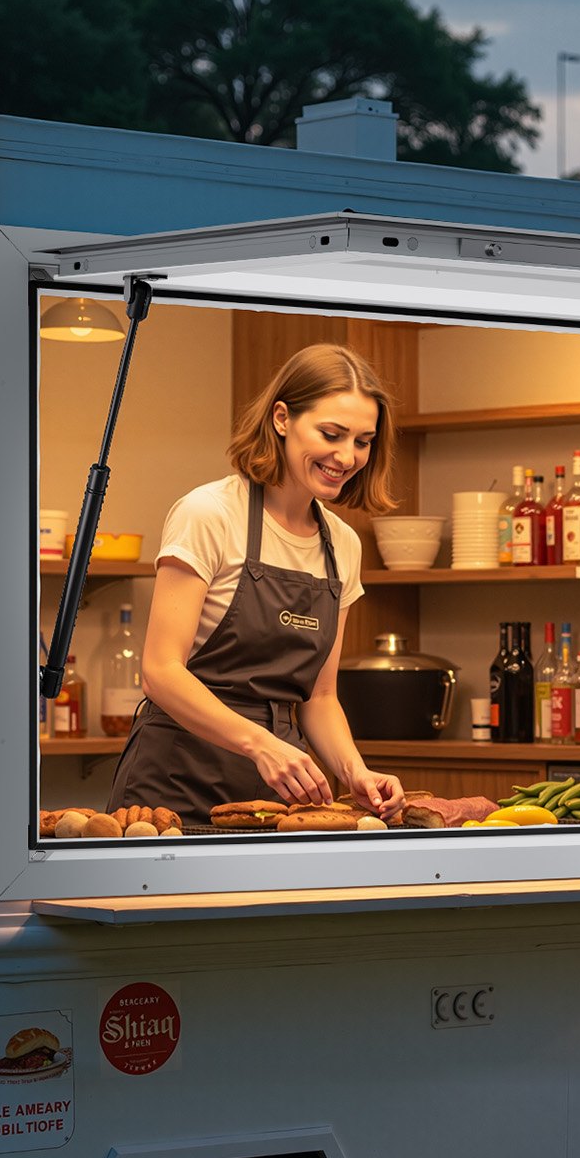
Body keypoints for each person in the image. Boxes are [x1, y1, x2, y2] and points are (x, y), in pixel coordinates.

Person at [108, 344, 406, 829]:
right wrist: (261, 744)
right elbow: (160, 671)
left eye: (363, 441)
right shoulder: (208, 515)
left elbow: (320, 698)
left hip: (278, 792)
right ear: (282, 418)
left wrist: (356, 772)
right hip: (174, 782)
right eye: (331, 434)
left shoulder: (343, 546)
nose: (347, 456)